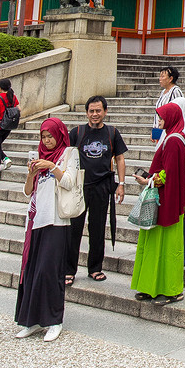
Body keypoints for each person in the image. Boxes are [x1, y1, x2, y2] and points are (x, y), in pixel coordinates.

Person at [14, 118, 79, 342]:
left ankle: (54, 320)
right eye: (43, 136)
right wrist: (32, 173)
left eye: (50, 136)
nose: (47, 140)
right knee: (31, 271)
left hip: (55, 221)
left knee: (49, 271)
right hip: (35, 220)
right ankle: (30, 320)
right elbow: (26, 191)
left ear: (59, 134)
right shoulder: (39, 157)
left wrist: (52, 167)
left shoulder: (69, 153)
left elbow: (70, 182)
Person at [131, 102, 185, 306]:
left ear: (171, 118)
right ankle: (152, 287)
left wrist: (149, 181)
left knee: (167, 247)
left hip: (167, 200)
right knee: (157, 245)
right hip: (165, 199)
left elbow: (169, 174)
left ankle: (171, 290)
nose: (159, 121)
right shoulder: (173, 137)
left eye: (162, 118)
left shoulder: (173, 140)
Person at [66, 96, 127, 285]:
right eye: (91, 111)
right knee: (73, 229)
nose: (95, 114)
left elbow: (120, 159)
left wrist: (121, 184)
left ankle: (95, 268)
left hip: (102, 186)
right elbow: (66, 156)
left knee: (98, 228)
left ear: (105, 112)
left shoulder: (112, 133)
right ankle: (68, 270)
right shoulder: (77, 132)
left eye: (98, 111)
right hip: (79, 186)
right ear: (86, 113)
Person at [154, 68, 185, 265]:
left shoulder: (177, 96)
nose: (161, 77)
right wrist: (156, 134)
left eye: (164, 74)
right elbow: (158, 118)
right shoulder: (161, 97)